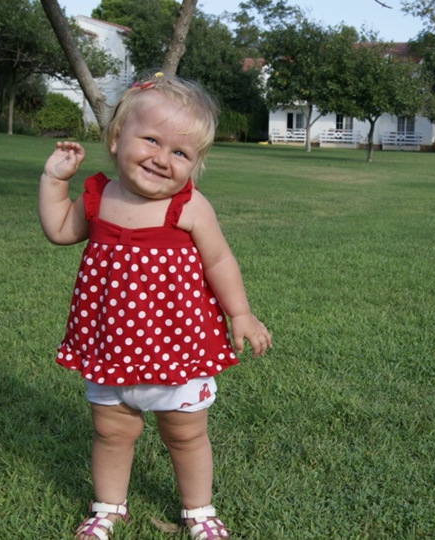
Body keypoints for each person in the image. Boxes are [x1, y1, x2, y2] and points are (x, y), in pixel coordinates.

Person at [39, 73, 272, 540]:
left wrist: (240, 313)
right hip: (111, 348)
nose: (163, 159)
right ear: (116, 137)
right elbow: (61, 230)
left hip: (178, 348)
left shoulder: (190, 206)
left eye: (181, 153)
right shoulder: (100, 196)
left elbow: (220, 259)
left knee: (185, 435)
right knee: (112, 432)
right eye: (151, 140)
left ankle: (198, 512)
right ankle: (107, 508)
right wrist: (53, 181)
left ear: (195, 165)